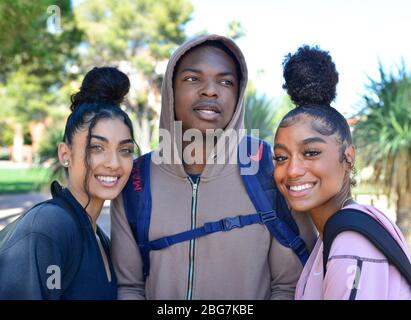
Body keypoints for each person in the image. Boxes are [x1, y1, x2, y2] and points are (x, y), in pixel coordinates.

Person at [110, 34, 317, 300]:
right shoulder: (137, 179)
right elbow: (130, 288)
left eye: (225, 81)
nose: (210, 90)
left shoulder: (269, 167)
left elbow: (288, 286)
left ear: (238, 94)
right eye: (193, 78)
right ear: (171, 90)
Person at [273, 45, 411, 299]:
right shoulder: (339, 231)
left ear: (348, 156)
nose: (292, 170)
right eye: (281, 157)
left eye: (311, 152)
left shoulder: (350, 242)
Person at [0, 67, 136, 299]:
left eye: (125, 150)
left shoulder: (98, 236)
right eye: (97, 147)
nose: (114, 163)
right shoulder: (49, 226)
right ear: (65, 154)